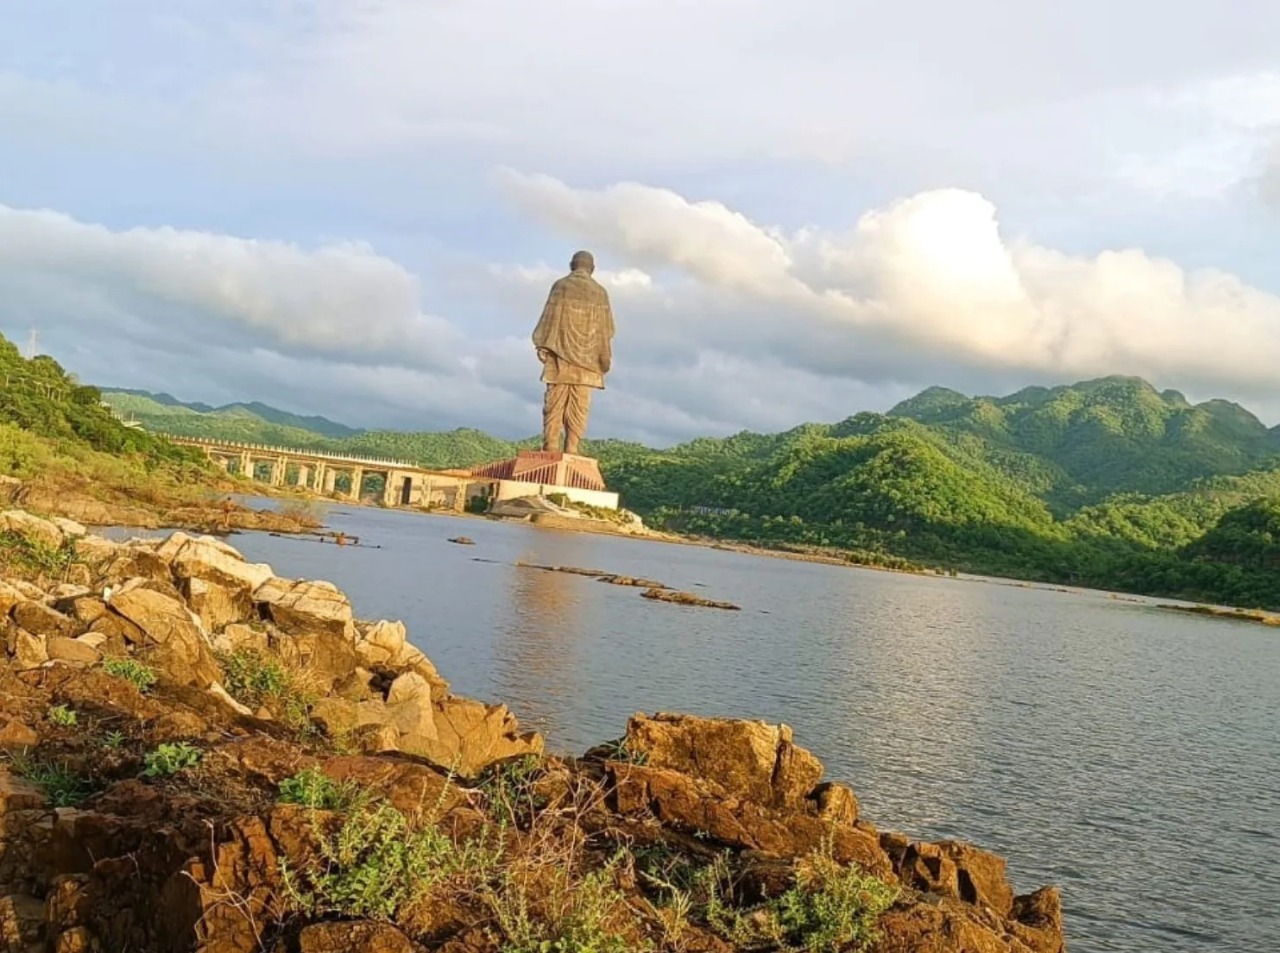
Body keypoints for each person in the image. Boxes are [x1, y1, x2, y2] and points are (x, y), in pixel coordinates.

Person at [531, 250, 615, 454]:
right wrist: (602, 357)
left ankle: (550, 444)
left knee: (554, 404)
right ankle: (572, 447)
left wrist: (543, 345)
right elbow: (608, 329)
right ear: (592, 269)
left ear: (571, 265)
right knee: (579, 407)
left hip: (559, 356)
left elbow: (548, 318)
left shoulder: (561, 286)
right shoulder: (600, 292)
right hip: (588, 362)